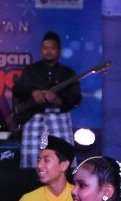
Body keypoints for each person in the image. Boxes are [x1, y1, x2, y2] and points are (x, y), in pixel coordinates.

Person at [11, 32, 81, 170]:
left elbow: (76, 98)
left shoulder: (67, 73)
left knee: (62, 158)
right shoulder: (31, 70)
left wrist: (57, 100)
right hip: (34, 117)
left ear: (59, 51)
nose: (48, 51)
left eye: (52, 48)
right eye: (45, 48)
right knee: (32, 161)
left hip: (58, 118)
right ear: (41, 50)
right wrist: (33, 93)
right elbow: (17, 90)